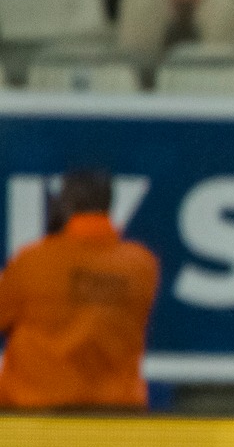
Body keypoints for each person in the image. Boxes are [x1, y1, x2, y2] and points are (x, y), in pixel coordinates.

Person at [0, 170, 159, 412]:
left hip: (35, 410)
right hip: (117, 412)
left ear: (65, 203)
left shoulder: (34, 261)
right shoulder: (142, 265)